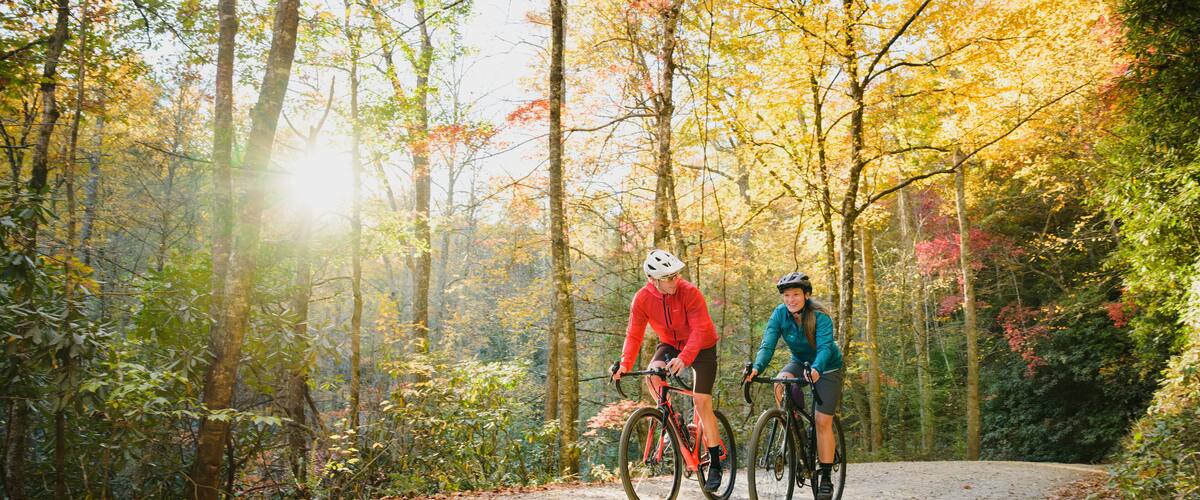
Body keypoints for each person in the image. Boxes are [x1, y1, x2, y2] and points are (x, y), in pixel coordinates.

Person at [612, 249, 724, 492]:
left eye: (676, 275)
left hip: (702, 345)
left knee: (702, 402)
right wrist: (624, 364)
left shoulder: (689, 292)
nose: (675, 280)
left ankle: (714, 463)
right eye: (669, 277)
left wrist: (684, 359)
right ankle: (676, 423)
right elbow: (634, 334)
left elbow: (699, 330)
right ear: (653, 280)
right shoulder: (642, 299)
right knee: (653, 377)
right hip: (670, 344)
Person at [744, 272, 844, 500]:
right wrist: (757, 368)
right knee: (780, 383)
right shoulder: (780, 314)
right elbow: (767, 344)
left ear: (806, 295)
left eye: (796, 294)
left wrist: (817, 368)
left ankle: (826, 477)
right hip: (800, 362)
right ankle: (795, 424)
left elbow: (826, 347)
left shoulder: (819, 316)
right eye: (787, 295)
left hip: (827, 367)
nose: (791, 300)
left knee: (822, 422)